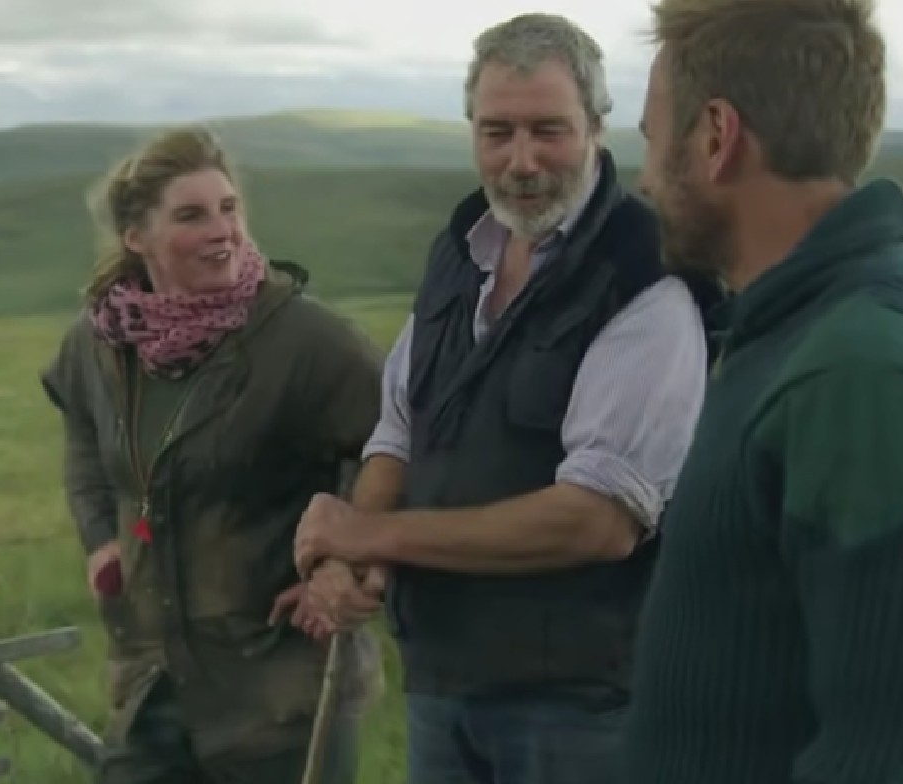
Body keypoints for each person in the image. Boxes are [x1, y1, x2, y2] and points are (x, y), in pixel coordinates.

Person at [289, 13, 721, 784]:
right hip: (445, 689)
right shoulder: (461, 254)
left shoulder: (641, 278)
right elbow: (398, 429)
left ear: (596, 127)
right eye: (497, 132)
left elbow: (598, 521)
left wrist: (374, 539)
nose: (521, 161)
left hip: (583, 708)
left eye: (548, 130)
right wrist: (352, 553)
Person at [624, 0, 903, 781]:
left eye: (651, 140)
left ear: (717, 138)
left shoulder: (861, 377)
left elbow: (893, 758)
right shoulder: (807, 326)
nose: (643, 178)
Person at [38, 125, 384, 784]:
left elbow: (396, 446)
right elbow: (83, 432)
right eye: (191, 215)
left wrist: (343, 558)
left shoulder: (304, 342)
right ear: (136, 237)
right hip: (152, 682)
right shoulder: (99, 343)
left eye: (229, 209)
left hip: (281, 689)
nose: (221, 230)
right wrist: (99, 540)